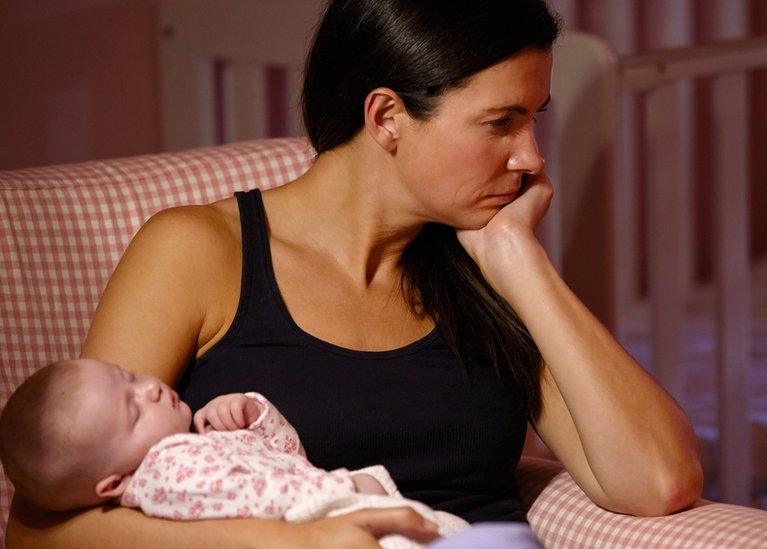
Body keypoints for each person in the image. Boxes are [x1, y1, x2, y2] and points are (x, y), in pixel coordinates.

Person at [6, 0, 703, 546]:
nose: (530, 158)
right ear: (386, 116)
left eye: (535, 121)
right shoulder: (197, 252)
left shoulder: (486, 266)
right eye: (500, 123)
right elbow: (43, 532)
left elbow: (658, 481)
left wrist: (523, 264)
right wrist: (280, 543)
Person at [0, 358, 468, 548]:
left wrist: (254, 416)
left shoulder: (193, 444)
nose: (151, 390)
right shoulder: (169, 473)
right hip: (329, 521)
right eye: (134, 410)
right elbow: (258, 503)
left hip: (339, 507)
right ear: (114, 483)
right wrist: (344, 486)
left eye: (130, 378)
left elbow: (291, 457)